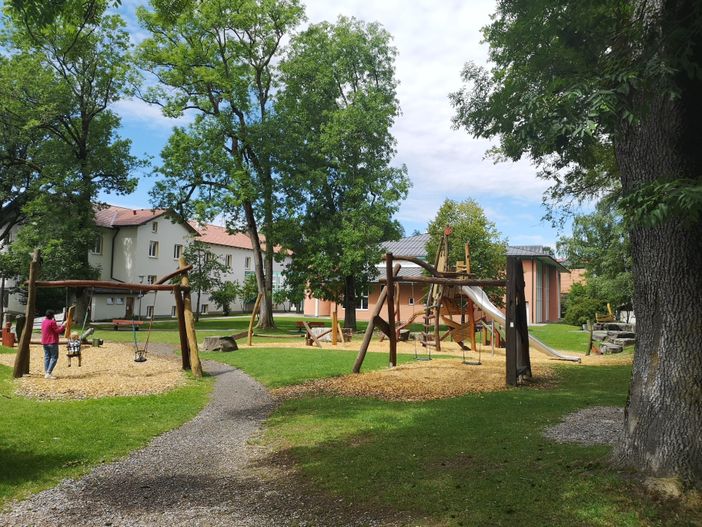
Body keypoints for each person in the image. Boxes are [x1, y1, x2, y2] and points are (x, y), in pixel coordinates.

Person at [41, 310, 65, 379]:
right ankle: (48, 373)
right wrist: (63, 326)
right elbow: (58, 331)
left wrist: (60, 326)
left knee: (47, 357)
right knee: (54, 357)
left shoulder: (44, 322)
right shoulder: (52, 322)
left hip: (45, 342)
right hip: (52, 342)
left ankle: (47, 372)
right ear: (52, 316)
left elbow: (53, 328)